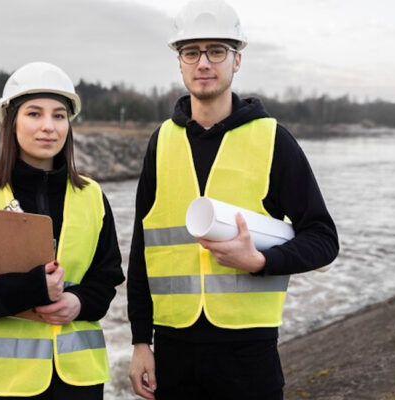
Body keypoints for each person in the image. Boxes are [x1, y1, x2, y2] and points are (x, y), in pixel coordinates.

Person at [127, 1, 340, 399]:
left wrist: (262, 261)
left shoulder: (272, 139)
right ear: (180, 62)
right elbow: (143, 249)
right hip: (174, 353)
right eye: (191, 52)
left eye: (216, 51)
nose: (203, 63)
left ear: (237, 60)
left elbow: (323, 238)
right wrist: (141, 341)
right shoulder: (161, 143)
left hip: (248, 355)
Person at [0, 61, 125, 400]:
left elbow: (107, 278)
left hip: (76, 384)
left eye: (58, 115)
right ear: (12, 121)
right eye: (34, 114)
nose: (48, 127)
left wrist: (78, 303)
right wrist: (32, 288)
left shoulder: (92, 196)